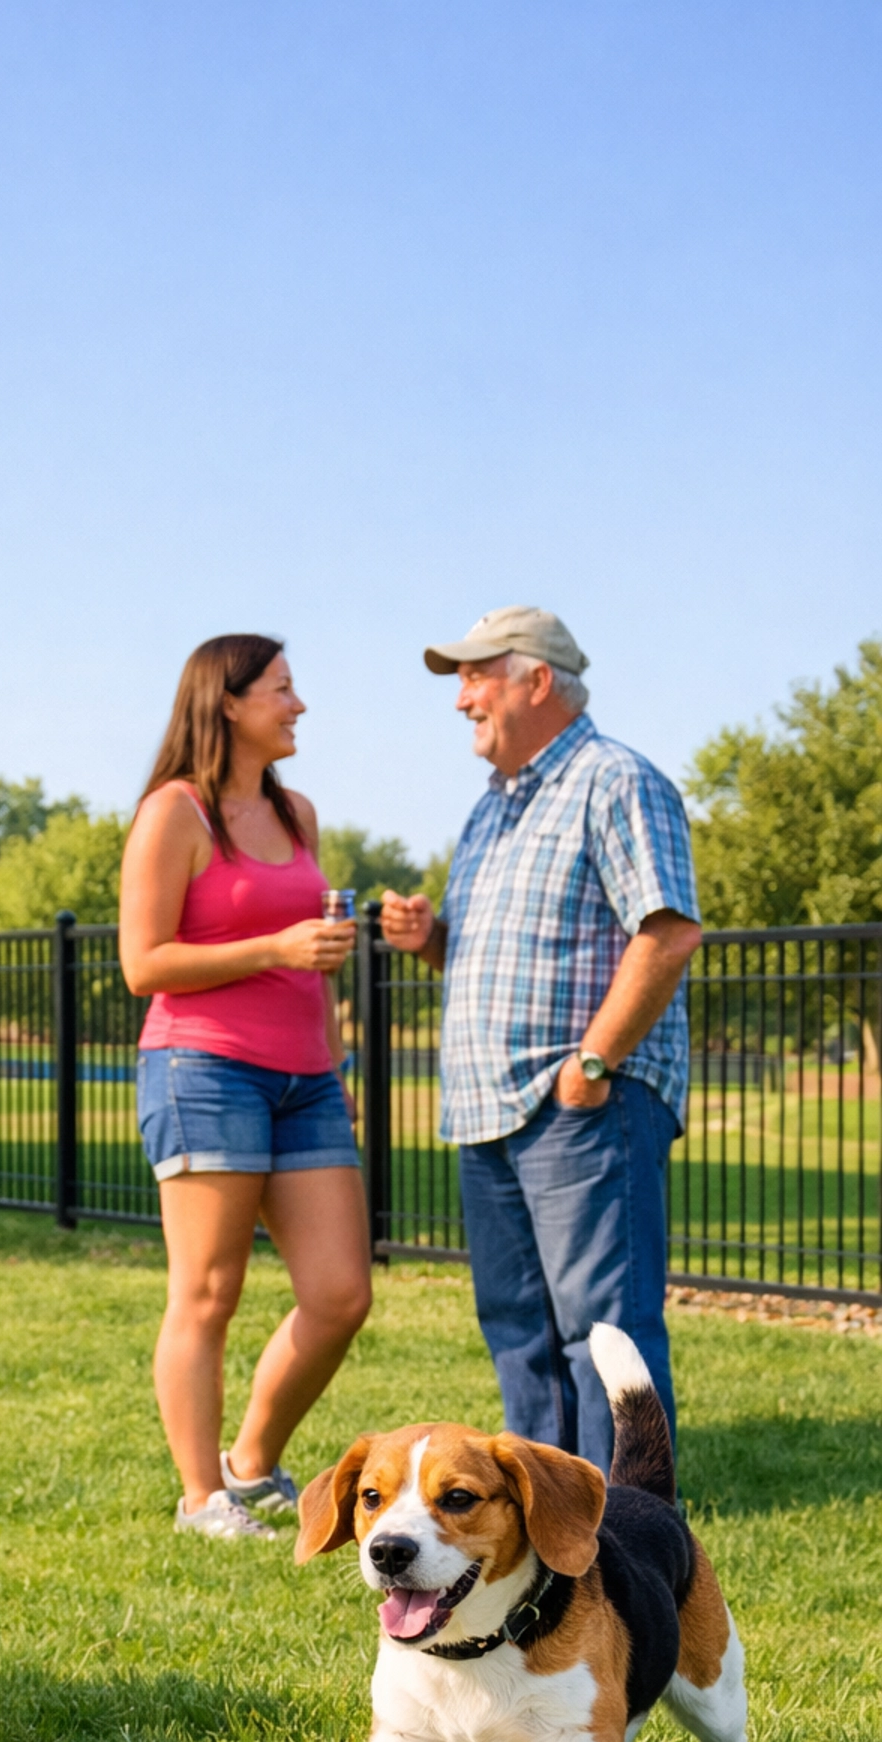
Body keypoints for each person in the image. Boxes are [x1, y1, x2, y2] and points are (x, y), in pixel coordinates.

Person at [380, 605, 701, 1476]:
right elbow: (498, 952)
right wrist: (431, 939)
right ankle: (554, 1516)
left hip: (580, 1107)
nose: (461, 700)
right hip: (487, 1110)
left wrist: (593, 1065)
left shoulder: (615, 780)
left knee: (603, 1332)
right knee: (519, 1332)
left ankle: (630, 1517)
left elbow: (667, 931)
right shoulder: (490, 811)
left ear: (537, 680)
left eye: (475, 676)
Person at [120, 634, 373, 1540]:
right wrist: (275, 947)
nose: (298, 706)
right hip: (203, 1068)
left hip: (306, 1081)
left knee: (342, 1293)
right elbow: (143, 963)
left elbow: (318, 964)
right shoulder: (175, 813)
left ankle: (252, 1463)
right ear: (227, 702)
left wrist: (335, 1066)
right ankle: (201, 1499)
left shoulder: (298, 812)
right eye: (282, 690)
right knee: (208, 1292)